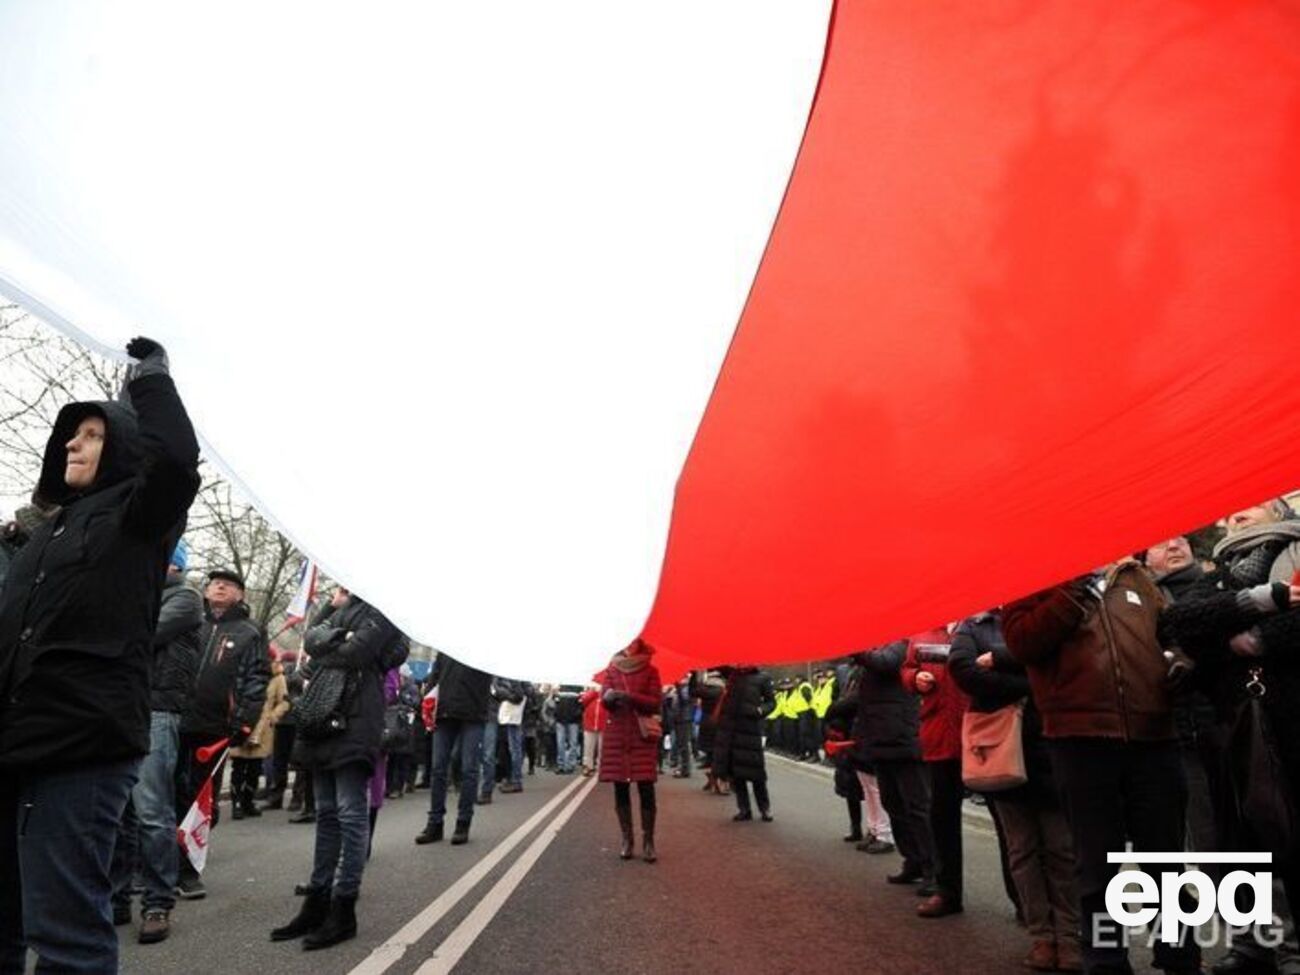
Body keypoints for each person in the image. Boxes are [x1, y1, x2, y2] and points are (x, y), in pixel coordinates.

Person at [0, 337, 200, 974]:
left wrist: (149, 381)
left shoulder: (138, 518)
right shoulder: (42, 536)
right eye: (69, 437)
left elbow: (173, 461)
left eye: (89, 434)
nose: (71, 445)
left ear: (120, 443)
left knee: (64, 936)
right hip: (13, 746)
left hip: (80, 748)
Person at [1004, 563, 1203, 975]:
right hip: (1080, 739)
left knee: (1165, 859)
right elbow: (1022, 643)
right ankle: (1106, 960)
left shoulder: (1138, 578)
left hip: (1155, 737)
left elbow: (1171, 635)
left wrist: (1179, 660)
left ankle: (1180, 957)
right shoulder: (1035, 577)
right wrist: (1072, 589)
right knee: (1097, 863)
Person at [271, 588, 407, 950]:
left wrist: (334, 640)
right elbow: (312, 641)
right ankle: (316, 901)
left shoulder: (386, 606)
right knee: (327, 813)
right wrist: (336, 628)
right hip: (325, 713)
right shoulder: (345, 607)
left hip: (358, 716)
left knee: (349, 811)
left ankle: (344, 907)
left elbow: (357, 651)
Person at [950, 610, 1080, 972]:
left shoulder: (1043, 615)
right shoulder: (973, 625)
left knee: (1062, 850)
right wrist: (1033, 681)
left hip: (1051, 748)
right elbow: (966, 673)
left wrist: (1003, 664)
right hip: (1002, 752)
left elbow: (1066, 660)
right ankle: (1041, 936)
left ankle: (1070, 937)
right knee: (1021, 850)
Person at [112, 540, 203, 945]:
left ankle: (157, 902)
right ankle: (116, 898)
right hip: (119, 706)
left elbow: (140, 634)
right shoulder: (135, 591)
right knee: (117, 812)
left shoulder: (184, 597)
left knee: (151, 810)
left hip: (157, 708)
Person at [176, 567, 269, 898]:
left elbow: (257, 679)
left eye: (228, 584)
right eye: (214, 583)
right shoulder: (188, 621)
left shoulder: (249, 632)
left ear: (240, 594)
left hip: (214, 728)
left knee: (200, 801)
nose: (219, 587)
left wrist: (243, 721)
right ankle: (155, 866)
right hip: (174, 719)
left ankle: (187, 870)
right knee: (164, 794)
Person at [901, 628, 969, 919]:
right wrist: (915, 679)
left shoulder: (984, 620)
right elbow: (907, 668)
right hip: (939, 735)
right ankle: (948, 891)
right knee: (942, 818)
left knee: (1008, 820)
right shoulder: (922, 633)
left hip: (982, 732)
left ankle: (1023, 901)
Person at [414, 651, 491, 846]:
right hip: (445, 712)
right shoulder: (446, 646)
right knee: (438, 769)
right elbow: (434, 677)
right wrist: (427, 702)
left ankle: (463, 823)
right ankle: (435, 823)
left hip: (473, 714)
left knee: (468, 769)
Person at [598, 638, 663, 862]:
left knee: (646, 786)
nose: (628, 644)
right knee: (621, 786)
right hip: (617, 732)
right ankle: (627, 839)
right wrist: (608, 698)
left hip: (640, 733)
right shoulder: (612, 669)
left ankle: (648, 840)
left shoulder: (651, 670)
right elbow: (603, 700)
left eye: (633, 641)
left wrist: (629, 697)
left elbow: (655, 703)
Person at [712, 666, 776, 823]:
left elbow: (771, 702)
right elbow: (714, 663)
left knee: (757, 774)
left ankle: (764, 808)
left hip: (751, 731)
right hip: (732, 731)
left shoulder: (763, 677)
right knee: (737, 774)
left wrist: (760, 711)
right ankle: (744, 809)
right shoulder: (731, 675)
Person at [230, 659, 290, 820]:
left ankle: (248, 801)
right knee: (238, 766)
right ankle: (236, 802)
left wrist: (272, 716)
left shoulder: (278, 677)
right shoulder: (244, 670)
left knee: (255, 768)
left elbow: (284, 702)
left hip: (263, 729)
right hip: (242, 722)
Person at [496, 679, 527, 793]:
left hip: (512, 716)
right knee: (514, 749)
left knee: (514, 749)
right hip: (514, 716)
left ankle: (516, 781)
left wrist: (501, 692)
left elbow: (518, 696)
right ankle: (514, 779)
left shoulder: (513, 676)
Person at [552, 685, 583, 774]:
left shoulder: (575, 688)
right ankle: (567, 765)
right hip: (568, 719)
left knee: (564, 743)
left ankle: (565, 765)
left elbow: (555, 702)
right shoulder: (577, 688)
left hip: (566, 719)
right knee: (569, 743)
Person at [578, 683, 605, 777]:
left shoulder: (607, 692)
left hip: (603, 724)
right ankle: (588, 766)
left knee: (602, 748)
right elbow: (584, 701)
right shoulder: (590, 693)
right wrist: (594, 691)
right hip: (590, 724)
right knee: (588, 747)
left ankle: (601, 767)